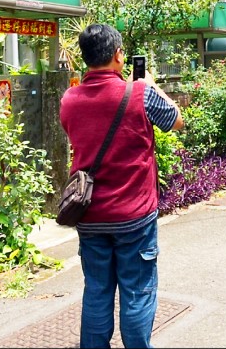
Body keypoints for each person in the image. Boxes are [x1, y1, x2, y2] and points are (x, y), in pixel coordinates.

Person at [59, 24, 184, 348]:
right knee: (137, 291)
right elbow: (176, 120)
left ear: (85, 58)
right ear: (118, 55)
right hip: (134, 216)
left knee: (97, 290)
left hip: (89, 215)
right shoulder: (139, 95)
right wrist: (151, 86)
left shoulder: (69, 100)